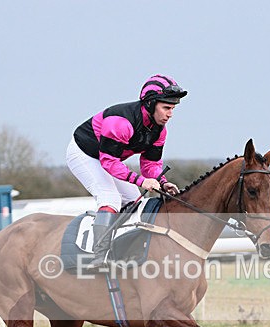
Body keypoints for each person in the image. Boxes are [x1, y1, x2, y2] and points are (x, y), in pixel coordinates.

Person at [66, 74, 186, 270]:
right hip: (84, 154)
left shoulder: (160, 131)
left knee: (134, 199)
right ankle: (98, 255)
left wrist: (162, 182)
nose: (170, 114)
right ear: (150, 104)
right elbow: (108, 162)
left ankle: (120, 249)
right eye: (166, 107)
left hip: (108, 158)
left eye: (172, 108)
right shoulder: (120, 122)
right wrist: (141, 180)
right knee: (110, 198)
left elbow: (150, 164)